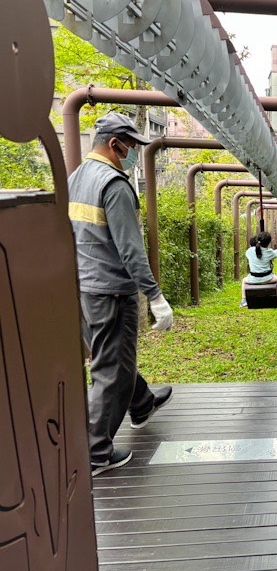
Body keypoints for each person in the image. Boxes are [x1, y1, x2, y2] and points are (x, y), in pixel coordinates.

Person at [68, 112, 174, 476]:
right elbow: (131, 249)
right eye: (129, 146)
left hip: (85, 287)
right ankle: (96, 452)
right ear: (114, 145)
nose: (131, 153)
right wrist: (155, 297)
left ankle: (141, 402)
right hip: (112, 291)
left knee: (111, 356)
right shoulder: (113, 184)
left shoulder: (75, 178)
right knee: (111, 370)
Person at [240, 231, 277, 307]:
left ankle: (244, 300)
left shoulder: (250, 251)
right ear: (268, 242)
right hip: (267, 279)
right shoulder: (269, 252)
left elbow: (252, 254)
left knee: (244, 281)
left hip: (253, 279)